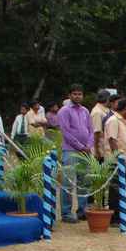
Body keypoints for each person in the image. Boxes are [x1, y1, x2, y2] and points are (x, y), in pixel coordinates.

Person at [51, 85, 93, 222]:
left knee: (84, 182)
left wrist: (89, 145)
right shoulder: (64, 111)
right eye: (74, 94)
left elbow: (91, 130)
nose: (77, 96)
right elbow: (66, 132)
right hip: (70, 150)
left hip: (86, 151)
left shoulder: (85, 111)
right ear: (69, 95)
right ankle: (66, 213)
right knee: (68, 182)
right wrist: (81, 146)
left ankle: (82, 210)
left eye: (80, 94)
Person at [104, 97, 126, 223]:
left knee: (125, 189)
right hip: (116, 161)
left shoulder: (125, 121)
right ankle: (115, 217)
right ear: (125, 109)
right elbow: (112, 140)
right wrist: (118, 157)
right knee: (115, 190)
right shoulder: (113, 120)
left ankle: (124, 215)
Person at [90, 90, 112, 158]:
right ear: (107, 99)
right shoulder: (97, 112)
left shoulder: (106, 110)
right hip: (100, 150)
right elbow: (96, 133)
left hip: (106, 149)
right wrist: (97, 151)